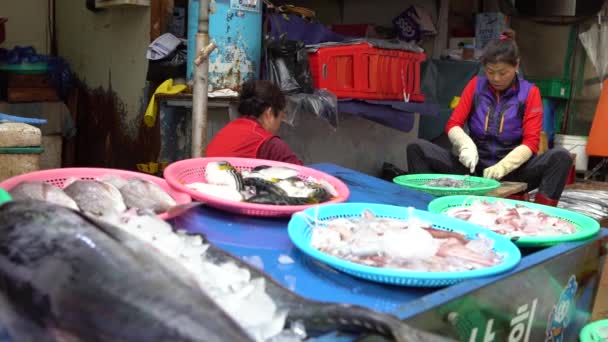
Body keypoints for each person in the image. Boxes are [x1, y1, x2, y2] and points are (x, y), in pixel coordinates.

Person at [406, 30, 572, 206]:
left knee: (561, 157)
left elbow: (531, 143)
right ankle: (428, 206)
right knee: (416, 148)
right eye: (490, 72)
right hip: (473, 170)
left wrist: (502, 167)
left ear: (516, 65)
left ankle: (542, 216)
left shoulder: (530, 93)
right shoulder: (475, 86)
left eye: (503, 72)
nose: (496, 78)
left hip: (514, 173)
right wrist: (465, 146)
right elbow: (453, 124)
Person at [206, 80, 303, 165]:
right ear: (269, 113)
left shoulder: (226, 131)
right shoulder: (270, 144)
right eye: (281, 117)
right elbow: (303, 176)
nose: (279, 125)